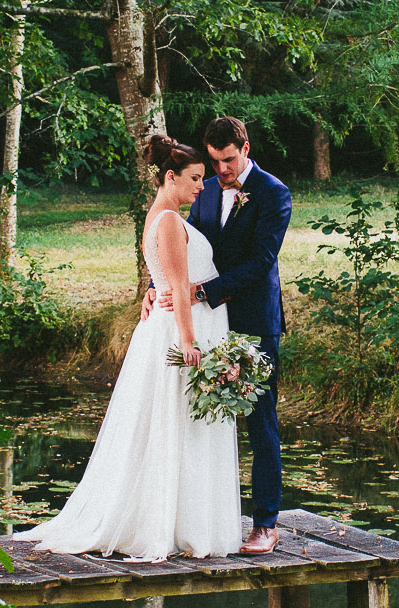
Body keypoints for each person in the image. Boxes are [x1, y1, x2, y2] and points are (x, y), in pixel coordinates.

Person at [16, 135, 241, 560]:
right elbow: (176, 284)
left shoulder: (157, 216)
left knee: (167, 427)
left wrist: (154, 293)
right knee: (177, 426)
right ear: (170, 177)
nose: (201, 187)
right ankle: (172, 524)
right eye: (194, 178)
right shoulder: (171, 220)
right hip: (179, 336)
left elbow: (161, 279)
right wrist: (191, 343)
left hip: (165, 329)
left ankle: (170, 518)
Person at [151, 116, 291, 555]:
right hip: (209, 324)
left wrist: (199, 292)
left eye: (228, 160)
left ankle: (265, 523)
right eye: (213, 162)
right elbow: (185, 246)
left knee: (260, 421)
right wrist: (158, 286)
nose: (220, 171)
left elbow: (260, 262)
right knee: (200, 421)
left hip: (252, 323)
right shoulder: (205, 189)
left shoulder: (274, 193)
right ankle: (202, 520)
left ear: (245, 149)